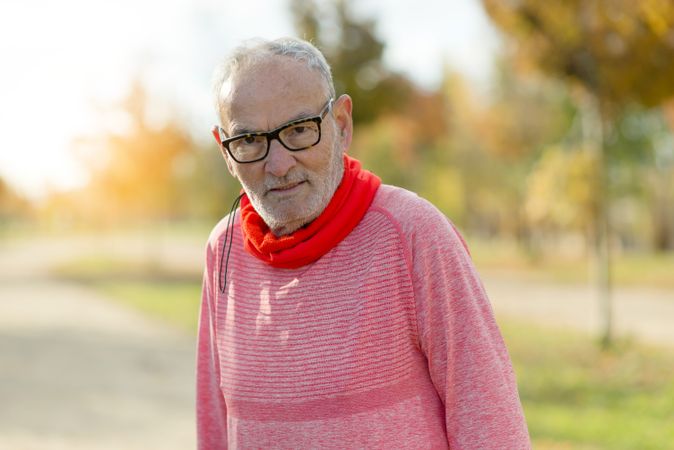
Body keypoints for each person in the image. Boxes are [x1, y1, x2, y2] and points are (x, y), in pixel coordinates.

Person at [197, 36, 530, 449]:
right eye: (249, 141)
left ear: (341, 124)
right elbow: (215, 425)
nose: (278, 164)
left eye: (299, 130)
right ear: (225, 151)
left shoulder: (412, 234)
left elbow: (490, 421)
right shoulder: (223, 251)